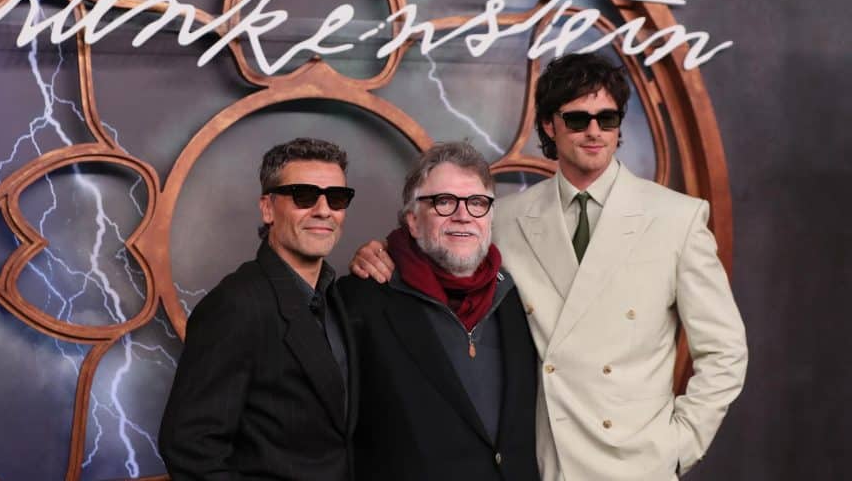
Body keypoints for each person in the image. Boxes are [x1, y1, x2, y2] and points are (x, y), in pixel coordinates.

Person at [351, 54, 748, 480]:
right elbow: (441, 261)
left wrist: (679, 446)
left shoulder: (676, 218)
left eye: (607, 118)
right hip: (544, 464)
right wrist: (383, 253)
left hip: (637, 465)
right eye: (577, 119)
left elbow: (725, 350)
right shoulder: (503, 217)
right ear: (548, 126)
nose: (594, 132)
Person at [160, 137, 358, 481]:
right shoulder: (235, 305)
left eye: (337, 198)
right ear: (268, 208)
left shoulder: (339, 299)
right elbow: (190, 447)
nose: (324, 210)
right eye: (304, 196)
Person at [340, 141, 540, 480]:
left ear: (490, 218)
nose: (463, 215)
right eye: (444, 202)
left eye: (477, 203)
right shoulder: (360, 301)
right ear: (413, 221)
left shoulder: (519, 297)